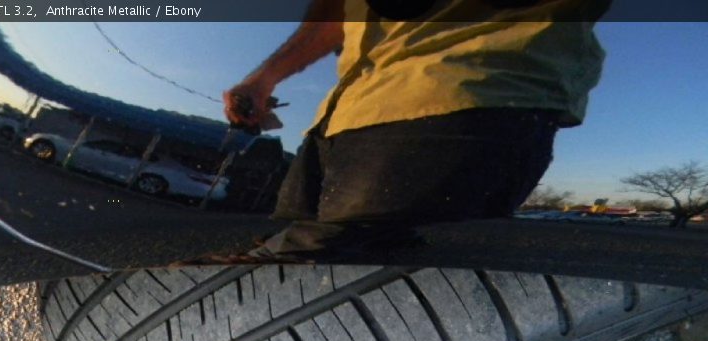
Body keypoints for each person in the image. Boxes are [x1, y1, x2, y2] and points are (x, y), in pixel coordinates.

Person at [223, 0, 612, 258]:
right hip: (351, 112)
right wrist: (263, 79)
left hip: (464, 88)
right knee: (339, 275)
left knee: (314, 258)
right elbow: (337, 15)